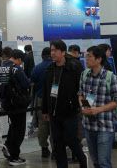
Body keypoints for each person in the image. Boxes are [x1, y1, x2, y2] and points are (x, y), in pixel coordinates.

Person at [42, 40, 86, 168]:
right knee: (57, 143)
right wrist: (45, 110)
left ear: (63, 52)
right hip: (54, 114)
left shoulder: (74, 67)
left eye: (55, 50)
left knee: (72, 140)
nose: (52, 53)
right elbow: (46, 90)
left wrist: (85, 106)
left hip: (70, 112)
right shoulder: (50, 69)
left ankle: (82, 160)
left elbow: (82, 89)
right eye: (51, 50)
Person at [78, 46, 117, 168]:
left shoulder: (111, 77)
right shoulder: (84, 75)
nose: (86, 59)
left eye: (89, 56)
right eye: (86, 56)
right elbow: (80, 94)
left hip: (105, 125)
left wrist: (98, 110)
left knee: (103, 162)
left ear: (99, 59)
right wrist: (84, 107)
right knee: (96, 162)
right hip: (88, 125)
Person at [0, 48, 30, 166]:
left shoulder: (1, 68)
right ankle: (14, 156)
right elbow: (26, 83)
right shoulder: (16, 68)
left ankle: (8, 145)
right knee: (19, 130)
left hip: (6, 103)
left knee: (13, 126)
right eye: (21, 61)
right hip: (18, 103)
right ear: (19, 59)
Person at [30, 47, 53, 158]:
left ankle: (44, 148)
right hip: (54, 99)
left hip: (40, 99)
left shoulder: (37, 68)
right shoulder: (55, 66)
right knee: (54, 125)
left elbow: (32, 82)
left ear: (42, 56)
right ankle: (56, 149)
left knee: (42, 125)